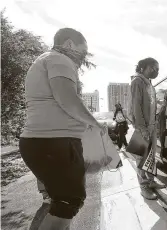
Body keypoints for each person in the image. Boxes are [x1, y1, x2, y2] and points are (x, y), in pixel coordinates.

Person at [19, 27, 106, 230]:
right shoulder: (59, 59)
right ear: (68, 44)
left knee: (59, 203)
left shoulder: (45, 59)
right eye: (82, 51)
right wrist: (96, 123)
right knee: (68, 202)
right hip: (53, 143)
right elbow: (68, 99)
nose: (82, 58)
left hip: (45, 142)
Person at [130, 57, 166, 200]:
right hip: (142, 127)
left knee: (151, 157)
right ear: (142, 68)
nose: (155, 71)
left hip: (151, 126)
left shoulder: (149, 84)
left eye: (157, 69)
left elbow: (150, 105)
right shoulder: (137, 81)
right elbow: (136, 106)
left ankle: (151, 182)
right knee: (141, 158)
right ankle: (143, 187)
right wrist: (142, 128)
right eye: (152, 68)